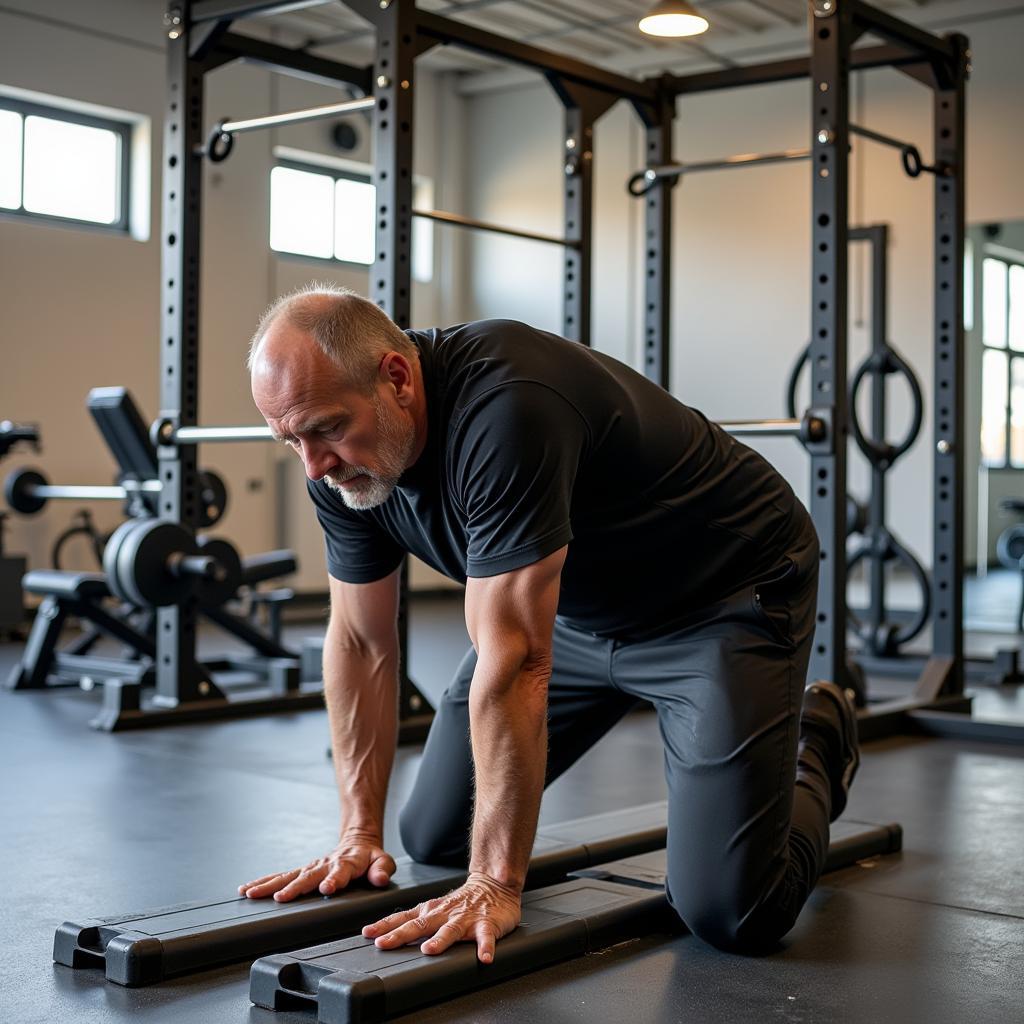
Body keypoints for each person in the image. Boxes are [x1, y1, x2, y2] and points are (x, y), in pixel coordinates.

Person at [240, 284, 859, 963]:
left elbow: (513, 661)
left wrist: (495, 883)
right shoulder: (337, 467)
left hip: (718, 602)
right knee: (434, 833)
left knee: (731, 912)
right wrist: (359, 833)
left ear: (396, 378)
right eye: (290, 439)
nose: (314, 464)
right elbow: (360, 641)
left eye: (326, 428)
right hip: (574, 614)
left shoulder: (508, 403)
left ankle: (819, 741)